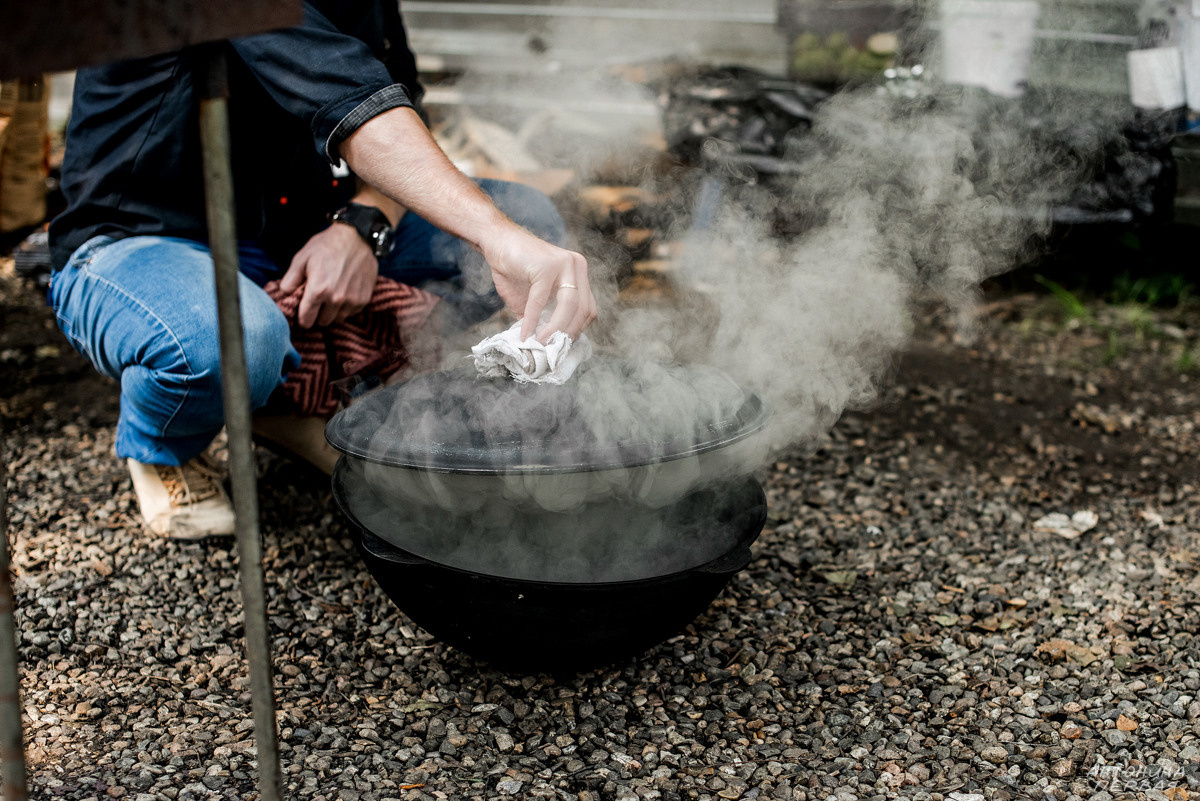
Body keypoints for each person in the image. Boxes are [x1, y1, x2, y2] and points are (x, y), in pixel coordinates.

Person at [47, 1, 597, 540]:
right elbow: (347, 96)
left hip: (300, 228)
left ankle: (280, 399)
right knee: (228, 343)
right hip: (147, 240)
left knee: (530, 220)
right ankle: (163, 443)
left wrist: (364, 224)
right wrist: (496, 238)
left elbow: (398, 96)